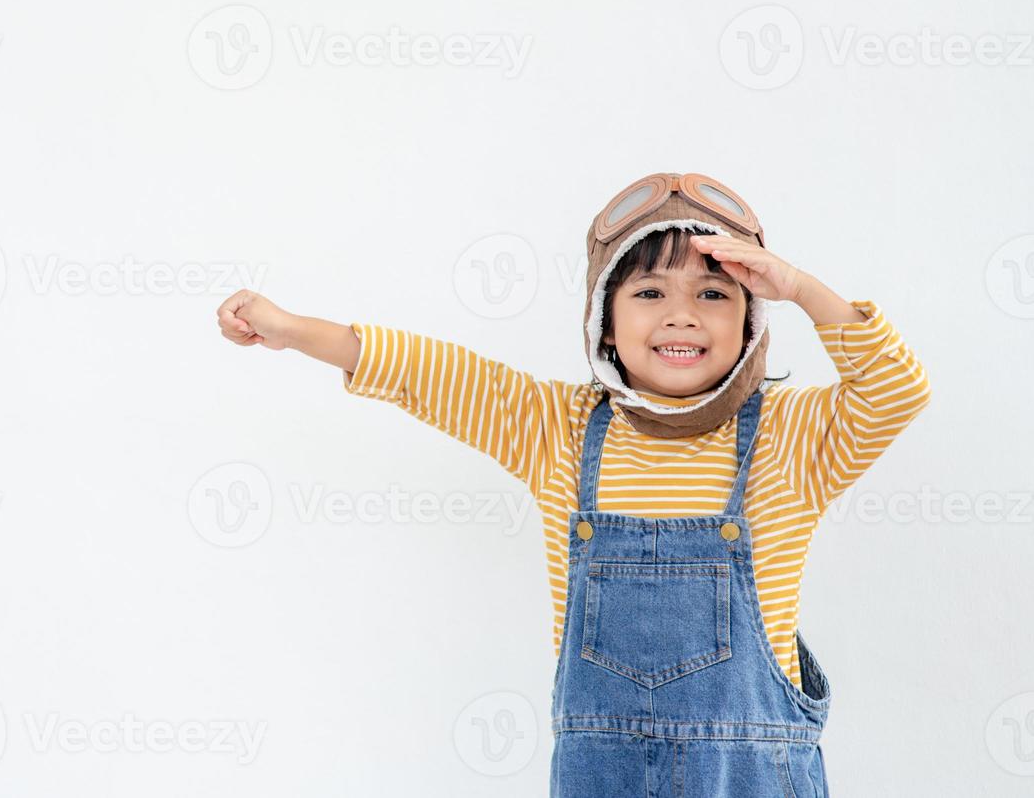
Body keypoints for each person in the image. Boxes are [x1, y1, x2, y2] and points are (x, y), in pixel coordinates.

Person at [214, 171, 932, 796]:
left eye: (714, 293)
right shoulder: (554, 428)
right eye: (649, 291)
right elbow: (425, 371)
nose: (682, 313)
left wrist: (800, 287)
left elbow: (897, 390)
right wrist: (290, 329)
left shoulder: (794, 439)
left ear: (750, 320)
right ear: (605, 324)